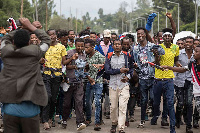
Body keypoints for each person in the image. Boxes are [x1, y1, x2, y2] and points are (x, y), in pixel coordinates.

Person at [0, 18, 50, 133]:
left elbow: (5, 39)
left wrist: (21, 29)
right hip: (30, 111)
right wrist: (31, 27)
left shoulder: (5, 52)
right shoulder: (35, 52)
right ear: (29, 42)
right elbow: (46, 40)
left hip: (9, 111)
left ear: (13, 42)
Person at [162, 45, 200, 133]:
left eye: (197, 52)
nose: (194, 53)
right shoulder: (192, 64)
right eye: (195, 51)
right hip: (197, 93)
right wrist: (170, 67)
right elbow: (182, 69)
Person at [41, 29, 75, 130]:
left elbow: (64, 62)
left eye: (53, 34)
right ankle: (45, 120)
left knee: (53, 99)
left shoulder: (61, 47)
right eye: (50, 35)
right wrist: (41, 60)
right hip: (46, 74)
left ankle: (51, 117)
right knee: (47, 96)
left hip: (57, 75)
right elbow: (39, 58)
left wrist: (71, 58)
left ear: (56, 35)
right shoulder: (44, 46)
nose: (52, 36)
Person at [133, 27, 164, 128]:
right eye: (138, 34)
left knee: (153, 99)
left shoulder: (151, 46)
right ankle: (142, 121)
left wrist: (156, 52)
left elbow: (162, 52)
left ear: (145, 34)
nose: (140, 36)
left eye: (142, 33)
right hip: (142, 78)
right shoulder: (136, 48)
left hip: (153, 77)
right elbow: (135, 62)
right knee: (143, 100)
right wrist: (136, 66)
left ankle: (154, 111)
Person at [152, 28, 180, 133]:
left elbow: (176, 60)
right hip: (158, 79)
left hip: (169, 79)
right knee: (155, 102)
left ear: (172, 37)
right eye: (165, 36)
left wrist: (178, 65)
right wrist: (156, 55)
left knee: (170, 103)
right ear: (162, 38)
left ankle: (172, 128)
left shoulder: (175, 47)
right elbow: (157, 64)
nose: (167, 38)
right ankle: (156, 114)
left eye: (169, 36)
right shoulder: (158, 47)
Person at [105, 39, 134, 133]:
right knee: (113, 107)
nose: (117, 46)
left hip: (124, 84)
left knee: (122, 106)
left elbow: (131, 69)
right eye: (115, 44)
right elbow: (107, 70)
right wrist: (119, 71)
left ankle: (121, 128)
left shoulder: (127, 56)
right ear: (112, 46)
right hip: (113, 85)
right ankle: (114, 123)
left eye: (118, 44)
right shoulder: (109, 56)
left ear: (121, 46)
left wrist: (128, 77)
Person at [62, 38, 86, 131]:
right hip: (69, 81)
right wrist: (73, 60)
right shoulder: (70, 52)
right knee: (67, 103)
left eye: (82, 46)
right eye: (78, 46)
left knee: (79, 102)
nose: (80, 48)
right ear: (75, 45)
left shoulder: (84, 55)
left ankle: (80, 122)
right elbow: (66, 65)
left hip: (79, 82)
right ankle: (64, 119)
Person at [173, 36, 194, 133]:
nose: (188, 44)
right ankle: (177, 119)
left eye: (191, 42)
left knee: (189, 103)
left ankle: (188, 125)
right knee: (180, 103)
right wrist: (177, 64)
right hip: (179, 81)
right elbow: (175, 61)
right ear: (184, 43)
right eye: (187, 42)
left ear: (193, 43)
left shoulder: (196, 54)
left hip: (190, 81)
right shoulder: (179, 53)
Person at [84, 39, 105, 131]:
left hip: (98, 82)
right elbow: (83, 70)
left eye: (87, 47)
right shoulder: (85, 57)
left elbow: (104, 68)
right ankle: (88, 119)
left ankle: (97, 122)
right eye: (85, 47)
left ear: (92, 47)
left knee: (97, 102)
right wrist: (89, 78)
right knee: (88, 102)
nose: (85, 49)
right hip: (89, 81)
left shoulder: (99, 56)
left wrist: (94, 67)